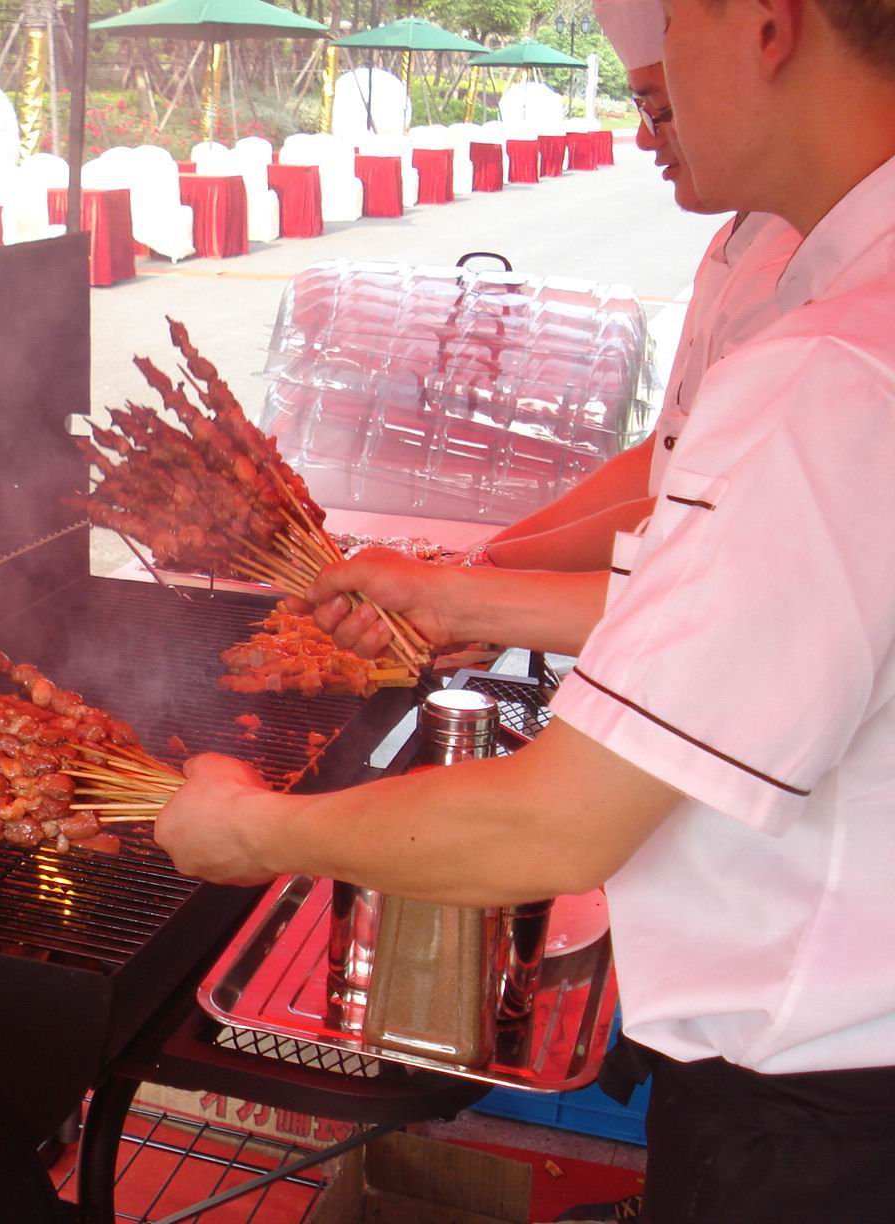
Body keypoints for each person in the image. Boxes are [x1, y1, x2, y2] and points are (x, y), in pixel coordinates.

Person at [156, 0, 895, 1214]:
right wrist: (459, 591)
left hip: (825, 1118)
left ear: (766, 25)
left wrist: (256, 834)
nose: (649, 89)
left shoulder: (833, 372)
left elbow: (557, 828)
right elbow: (765, 622)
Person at [470, 0, 800, 577]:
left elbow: (712, 534)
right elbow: (667, 455)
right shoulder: (737, 237)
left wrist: (473, 584)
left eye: (660, 109)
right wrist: (484, 561)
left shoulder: (804, 279)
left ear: (770, 41)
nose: (647, 142)